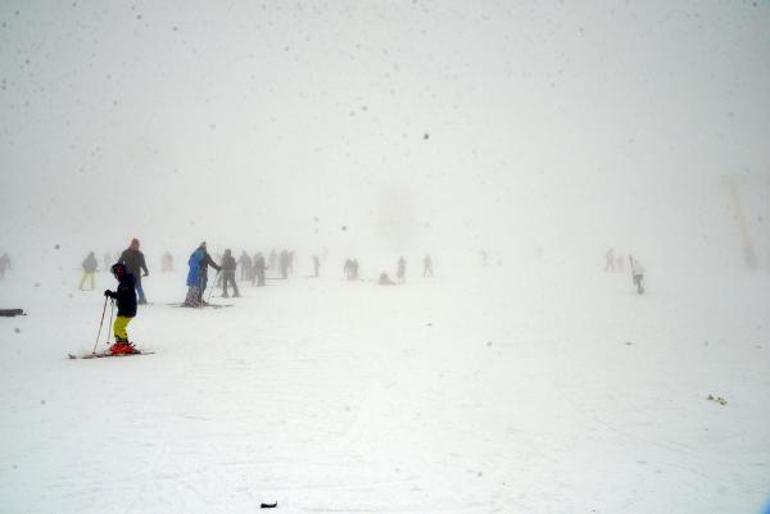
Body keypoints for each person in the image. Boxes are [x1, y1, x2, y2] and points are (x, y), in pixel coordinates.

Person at [103, 262, 139, 355]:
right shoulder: (125, 282)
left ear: (119, 273)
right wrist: (112, 294)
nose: (115, 277)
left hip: (128, 309)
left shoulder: (127, 282)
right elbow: (121, 295)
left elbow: (123, 295)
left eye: (115, 274)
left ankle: (124, 345)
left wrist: (113, 294)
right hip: (125, 309)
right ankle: (121, 343)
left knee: (119, 327)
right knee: (118, 326)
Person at [119, 238, 149, 304]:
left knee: (138, 286)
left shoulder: (140, 254)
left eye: (137, 245)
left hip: (136, 273)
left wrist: (146, 271)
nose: (136, 246)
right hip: (128, 273)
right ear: (131, 244)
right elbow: (120, 262)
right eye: (135, 245)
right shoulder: (126, 253)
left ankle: (142, 299)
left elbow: (143, 264)